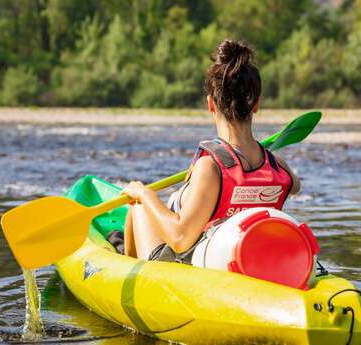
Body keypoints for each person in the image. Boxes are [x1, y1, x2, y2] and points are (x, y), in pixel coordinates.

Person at [121, 39, 300, 263]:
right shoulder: (277, 166)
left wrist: (144, 194)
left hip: (193, 266)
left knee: (137, 203)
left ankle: (124, 265)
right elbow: (295, 186)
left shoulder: (211, 167)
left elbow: (180, 238)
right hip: (244, 258)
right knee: (174, 198)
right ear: (256, 104)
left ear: (210, 104)